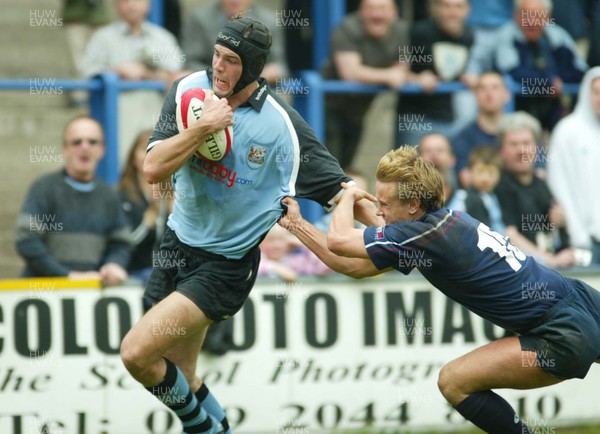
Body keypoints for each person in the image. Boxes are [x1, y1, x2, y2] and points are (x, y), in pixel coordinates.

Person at [119, 17, 379, 434]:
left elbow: (340, 190)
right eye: (216, 56)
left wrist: (394, 230)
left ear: (253, 68)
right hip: (176, 245)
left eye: (231, 61)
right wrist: (204, 126)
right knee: (182, 374)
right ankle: (215, 427)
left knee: (136, 354)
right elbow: (152, 168)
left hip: (224, 266)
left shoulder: (282, 128)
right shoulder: (188, 92)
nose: (218, 68)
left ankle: (202, 428)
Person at [278, 145, 600, 434]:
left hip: (560, 333)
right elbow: (354, 265)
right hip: (579, 299)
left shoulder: (423, 237)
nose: (379, 211)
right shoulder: (441, 225)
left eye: (385, 203)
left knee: (454, 381)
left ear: (414, 205)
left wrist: (346, 196)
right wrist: (297, 225)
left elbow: (339, 241)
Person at [15, 115, 130, 285]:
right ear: (65, 149)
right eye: (77, 142)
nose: (85, 147)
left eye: (93, 142)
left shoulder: (109, 195)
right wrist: (66, 276)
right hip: (43, 296)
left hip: (89, 297)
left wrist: (114, 264)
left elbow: (121, 243)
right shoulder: (43, 188)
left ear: (102, 150)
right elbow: (26, 240)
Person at [80, 0, 184, 165]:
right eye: (125, 1)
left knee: (159, 163)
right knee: (121, 163)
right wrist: (117, 71)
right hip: (118, 117)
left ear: (148, 4)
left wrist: (146, 73)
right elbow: (87, 73)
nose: (132, 5)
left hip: (156, 114)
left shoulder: (162, 38)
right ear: (116, 6)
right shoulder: (103, 38)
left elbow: (177, 75)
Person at [320, 0, 410, 169]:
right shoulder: (347, 28)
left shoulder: (400, 29)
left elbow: (402, 68)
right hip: (329, 109)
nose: (377, 14)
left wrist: (410, 76)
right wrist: (389, 75)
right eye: (371, 9)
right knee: (329, 168)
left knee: (345, 166)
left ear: (394, 12)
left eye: (383, 8)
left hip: (358, 113)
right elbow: (350, 73)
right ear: (361, 12)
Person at [476, 0, 587, 130]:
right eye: (526, 15)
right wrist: (547, 84)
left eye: (537, 15)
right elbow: (513, 72)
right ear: (516, 16)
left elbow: (580, 71)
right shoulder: (506, 36)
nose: (531, 21)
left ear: (547, 18)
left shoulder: (557, 37)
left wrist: (556, 81)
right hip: (517, 113)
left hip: (554, 113)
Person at [495, 111, 575, 268]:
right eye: (513, 144)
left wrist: (562, 223)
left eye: (526, 143)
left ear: (537, 148)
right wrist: (549, 260)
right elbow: (509, 235)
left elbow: (556, 228)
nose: (521, 150)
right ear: (501, 151)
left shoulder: (542, 183)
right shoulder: (498, 187)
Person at [396, 0, 477, 148]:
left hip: (447, 116)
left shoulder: (468, 36)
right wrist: (416, 79)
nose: (452, 12)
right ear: (436, 9)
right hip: (414, 116)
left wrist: (464, 77)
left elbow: (449, 71)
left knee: (443, 169)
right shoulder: (419, 32)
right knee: (407, 168)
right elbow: (397, 69)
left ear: (468, 10)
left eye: (458, 7)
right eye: (446, 6)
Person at [547, 66, 600, 266]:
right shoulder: (567, 130)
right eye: (596, 92)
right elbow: (558, 182)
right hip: (583, 242)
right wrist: (578, 233)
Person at [181, 0, 288, 85]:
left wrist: (247, 79)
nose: (235, 1)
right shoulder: (199, 18)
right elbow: (190, 62)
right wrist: (222, 75)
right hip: (210, 84)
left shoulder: (270, 21)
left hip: (255, 89)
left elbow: (279, 67)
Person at [117, 130, 170, 285]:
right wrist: (147, 222)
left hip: (169, 276)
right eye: (143, 150)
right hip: (133, 275)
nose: (149, 155)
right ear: (133, 158)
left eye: (155, 150)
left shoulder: (176, 194)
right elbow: (121, 245)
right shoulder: (121, 197)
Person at [451, 71, 511, 188]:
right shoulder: (463, 138)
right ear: (475, 95)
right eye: (482, 89)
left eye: (495, 88)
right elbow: (466, 180)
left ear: (507, 95)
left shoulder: (518, 135)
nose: (489, 94)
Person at [448, 145, 505, 234]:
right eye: (480, 171)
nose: (485, 178)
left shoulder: (494, 198)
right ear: (469, 172)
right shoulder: (463, 197)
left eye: (491, 173)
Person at [418, 133, 458, 203]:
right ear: (418, 160)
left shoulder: (467, 201)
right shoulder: (407, 201)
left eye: (440, 150)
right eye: (428, 151)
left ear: (452, 159)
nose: (434, 155)